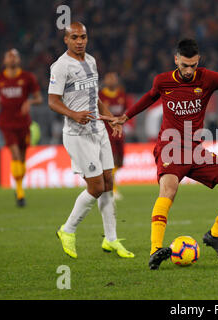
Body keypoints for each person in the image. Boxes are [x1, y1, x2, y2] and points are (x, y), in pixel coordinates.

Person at [101, 39, 218, 270]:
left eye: (193, 65)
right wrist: (126, 116)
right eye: (184, 65)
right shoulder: (162, 81)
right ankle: (155, 250)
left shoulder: (207, 78)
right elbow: (150, 96)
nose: (189, 71)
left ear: (198, 61)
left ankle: (215, 234)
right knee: (169, 189)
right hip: (170, 147)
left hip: (195, 151)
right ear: (176, 60)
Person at [48, 22, 134, 259]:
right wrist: (74, 114)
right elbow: (52, 101)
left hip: (99, 130)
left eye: (83, 37)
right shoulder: (61, 66)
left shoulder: (92, 61)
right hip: (78, 135)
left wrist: (111, 119)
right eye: (74, 37)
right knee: (96, 187)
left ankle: (111, 239)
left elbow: (94, 97)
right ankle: (68, 229)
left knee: (109, 183)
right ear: (66, 40)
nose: (79, 41)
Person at [0, 49, 43, 207]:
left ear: (19, 60)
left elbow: (39, 98)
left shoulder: (27, 78)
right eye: (9, 55)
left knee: (21, 157)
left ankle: (19, 187)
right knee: (14, 154)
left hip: (23, 123)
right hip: (6, 123)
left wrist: (29, 102)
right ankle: (20, 194)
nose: (12, 58)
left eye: (15, 55)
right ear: (4, 61)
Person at [99, 72, 129, 200]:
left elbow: (126, 111)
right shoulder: (100, 96)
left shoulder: (122, 94)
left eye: (114, 78)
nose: (111, 81)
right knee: (110, 161)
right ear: (105, 81)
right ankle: (112, 189)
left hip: (119, 133)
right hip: (106, 133)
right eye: (109, 78)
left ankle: (108, 185)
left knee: (119, 162)